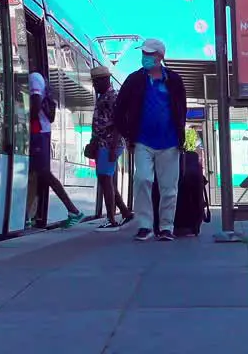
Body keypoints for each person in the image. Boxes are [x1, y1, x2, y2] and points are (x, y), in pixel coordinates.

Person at [115, 38, 187, 242]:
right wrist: (128, 134)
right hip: (142, 141)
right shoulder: (134, 80)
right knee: (143, 179)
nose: (145, 57)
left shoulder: (174, 80)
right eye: (143, 54)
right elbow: (119, 109)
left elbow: (182, 108)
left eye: (149, 54)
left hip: (170, 142)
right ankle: (145, 225)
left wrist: (180, 132)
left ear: (160, 57)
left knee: (168, 187)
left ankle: (166, 227)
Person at [29, 71, 85, 227]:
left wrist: (23, 120)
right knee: (34, 174)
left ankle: (74, 210)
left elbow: (36, 102)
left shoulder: (34, 77)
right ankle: (28, 215)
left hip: (38, 132)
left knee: (44, 173)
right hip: (40, 132)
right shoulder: (41, 79)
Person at [89, 65, 134, 230]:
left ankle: (111, 219)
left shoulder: (111, 97)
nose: (94, 85)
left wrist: (114, 147)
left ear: (105, 80)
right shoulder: (106, 96)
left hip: (109, 144)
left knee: (105, 180)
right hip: (105, 143)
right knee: (105, 179)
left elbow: (117, 123)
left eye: (96, 82)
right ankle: (125, 212)